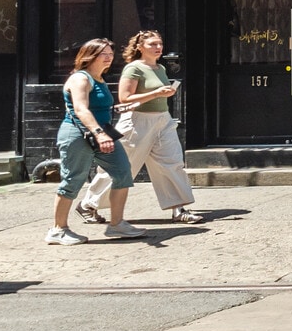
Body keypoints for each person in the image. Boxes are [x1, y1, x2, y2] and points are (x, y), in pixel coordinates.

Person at [75, 31, 202, 226]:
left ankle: (179, 209)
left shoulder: (160, 68)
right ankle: (88, 204)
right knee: (121, 166)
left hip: (163, 120)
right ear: (140, 47)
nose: (158, 47)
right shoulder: (133, 68)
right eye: (152, 44)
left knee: (172, 162)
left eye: (160, 43)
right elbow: (124, 98)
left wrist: (165, 93)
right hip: (136, 121)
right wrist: (156, 93)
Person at [47, 39, 142, 244]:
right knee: (73, 179)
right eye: (102, 54)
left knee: (123, 172)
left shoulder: (99, 78)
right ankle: (58, 229)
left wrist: (119, 109)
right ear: (89, 55)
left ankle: (117, 225)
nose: (108, 57)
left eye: (110, 53)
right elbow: (80, 109)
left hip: (103, 133)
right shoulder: (81, 78)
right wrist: (99, 134)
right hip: (78, 134)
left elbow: (98, 108)